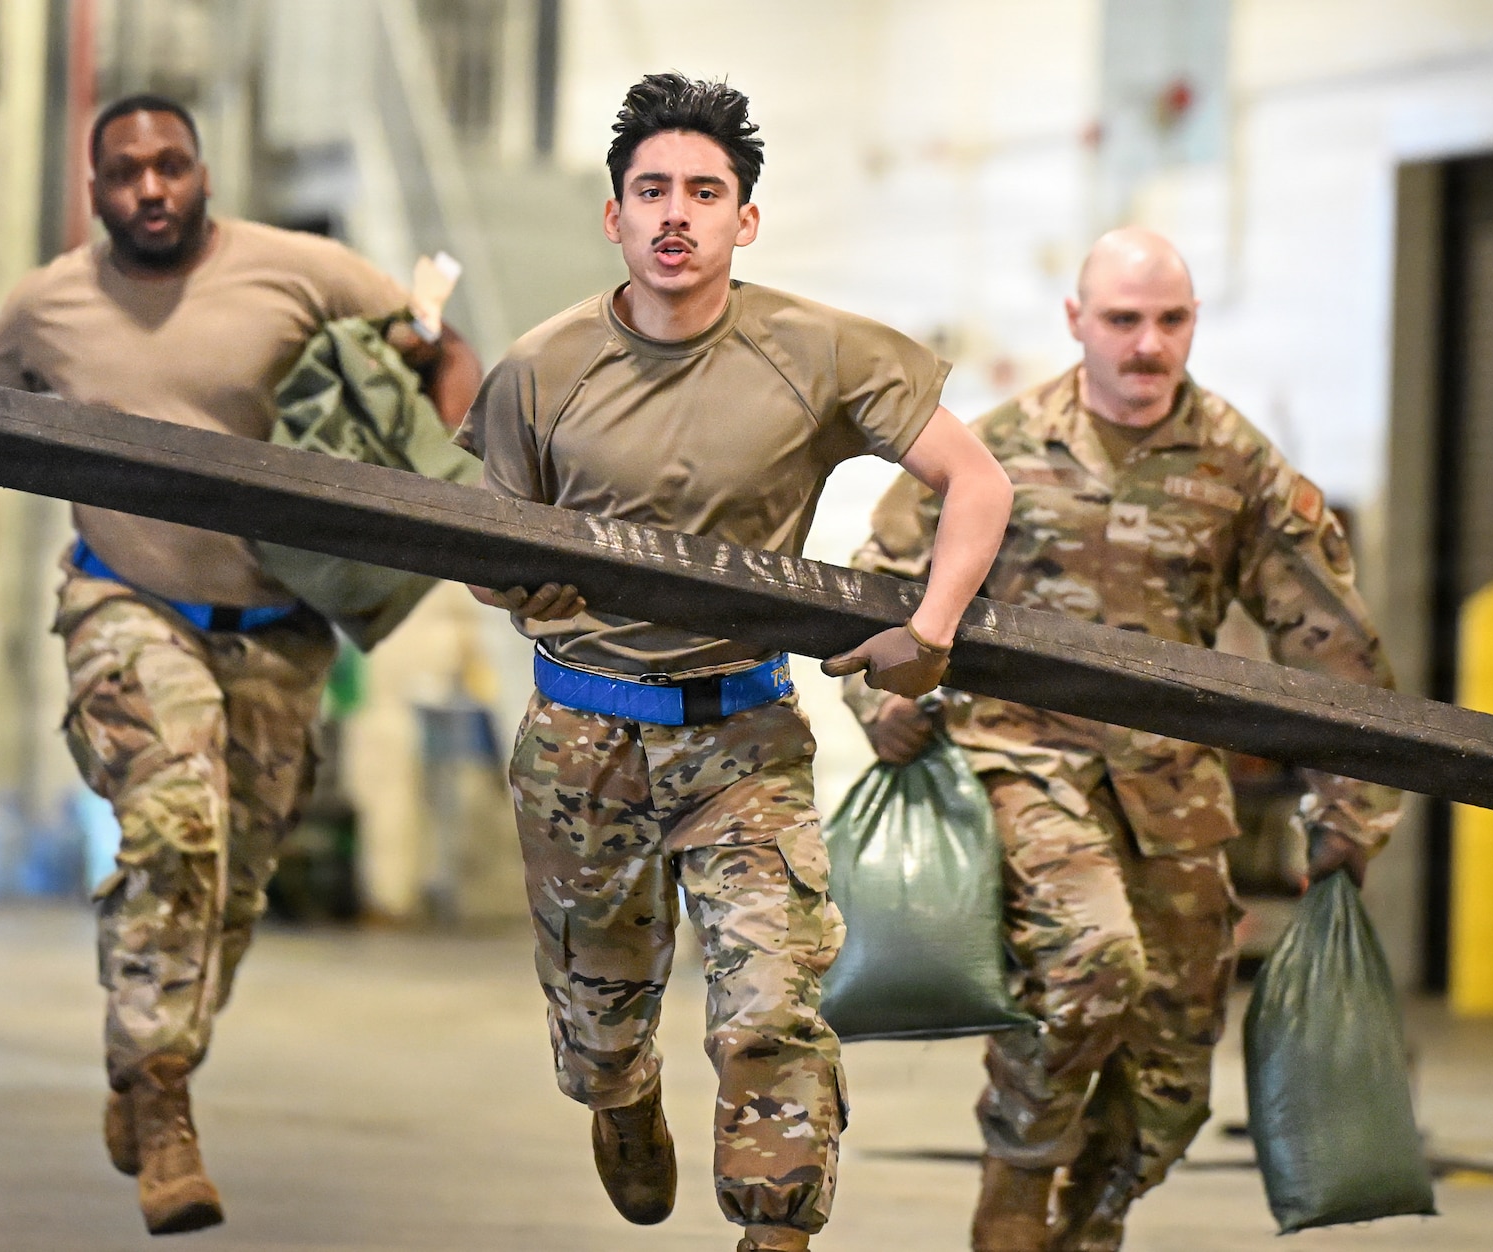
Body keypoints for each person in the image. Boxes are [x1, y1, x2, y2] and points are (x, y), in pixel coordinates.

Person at [0, 93, 480, 1236]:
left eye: (170, 165)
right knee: (176, 829)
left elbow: (445, 349)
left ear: (204, 173)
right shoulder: (46, 306)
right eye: (125, 172)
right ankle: (161, 1099)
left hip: (276, 626)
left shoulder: (300, 271)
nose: (150, 188)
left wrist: (446, 480)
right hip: (126, 599)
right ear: (94, 188)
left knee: (231, 889)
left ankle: (149, 1052)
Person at [453, 73, 1012, 1252]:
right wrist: (515, 583)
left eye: (704, 192)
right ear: (611, 215)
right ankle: (618, 1092)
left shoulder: (813, 350)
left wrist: (932, 627)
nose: (676, 214)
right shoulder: (539, 370)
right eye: (650, 189)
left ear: (742, 219)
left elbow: (977, 481)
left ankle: (774, 1229)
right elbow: (480, 549)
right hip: (580, 740)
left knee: (771, 1011)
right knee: (599, 1019)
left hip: (740, 737)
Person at [843, 228, 1403, 1252]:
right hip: (1020, 761)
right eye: (1122, 321)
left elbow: (1328, 640)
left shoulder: (1236, 465)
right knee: (1092, 961)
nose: (1147, 346)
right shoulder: (996, 449)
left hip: (1171, 792)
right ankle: (1017, 1173)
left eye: (1169, 321)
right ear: (1075, 322)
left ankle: (1088, 1225)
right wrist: (882, 699)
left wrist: (1348, 805)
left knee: (1172, 1080)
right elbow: (876, 581)